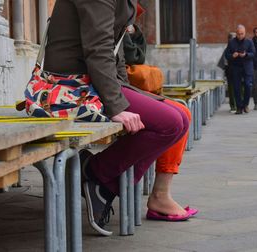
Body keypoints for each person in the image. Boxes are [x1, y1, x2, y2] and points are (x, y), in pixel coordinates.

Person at [43, 0, 194, 236]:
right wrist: (117, 106)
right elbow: (98, 49)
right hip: (72, 86)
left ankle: (103, 184)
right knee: (170, 123)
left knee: (182, 115)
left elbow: (117, 54)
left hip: (95, 81)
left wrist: (128, 93)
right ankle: (95, 174)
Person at [123, 22, 198, 221]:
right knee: (173, 120)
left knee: (183, 114)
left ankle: (160, 193)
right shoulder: (108, 10)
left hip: (118, 83)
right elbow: (132, 56)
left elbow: (137, 54)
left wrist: (132, 28)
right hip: (107, 86)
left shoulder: (124, 17)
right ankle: (113, 179)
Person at [225, 25, 256, 114]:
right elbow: (227, 55)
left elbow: (253, 53)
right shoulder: (231, 42)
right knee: (236, 88)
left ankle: (245, 104)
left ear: (245, 33)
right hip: (236, 67)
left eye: (242, 34)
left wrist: (246, 55)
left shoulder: (249, 42)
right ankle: (239, 107)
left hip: (247, 67)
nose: (240, 36)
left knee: (247, 85)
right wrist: (232, 56)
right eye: (238, 34)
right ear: (236, 33)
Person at [218, 32, 236, 112]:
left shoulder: (239, 47)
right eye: (231, 38)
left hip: (239, 71)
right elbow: (224, 63)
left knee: (240, 88)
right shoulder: (227, 49)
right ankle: (233, 106)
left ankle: (240, 105)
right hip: (230, 72)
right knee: (231, 89)